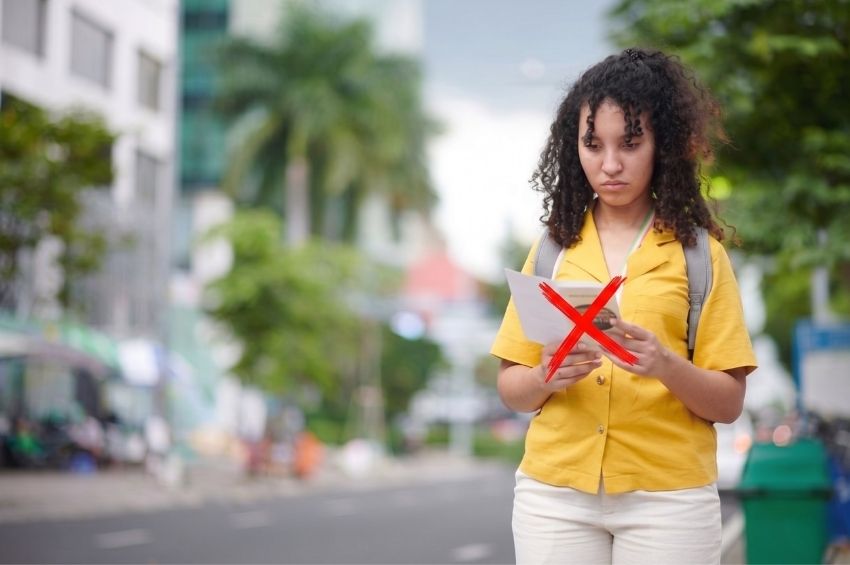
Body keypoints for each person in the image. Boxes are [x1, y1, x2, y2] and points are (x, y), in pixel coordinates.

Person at [490, 47, 757, 564]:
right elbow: (511, 388)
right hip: (555, 493)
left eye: (630, 144)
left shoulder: (699, 254)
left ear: (663, 146)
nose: (609, 164)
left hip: (669, 498)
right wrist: (545, 376)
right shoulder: (552, 248)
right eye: (593, 145)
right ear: (575, 149)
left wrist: (664, 364)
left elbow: (728, 404)